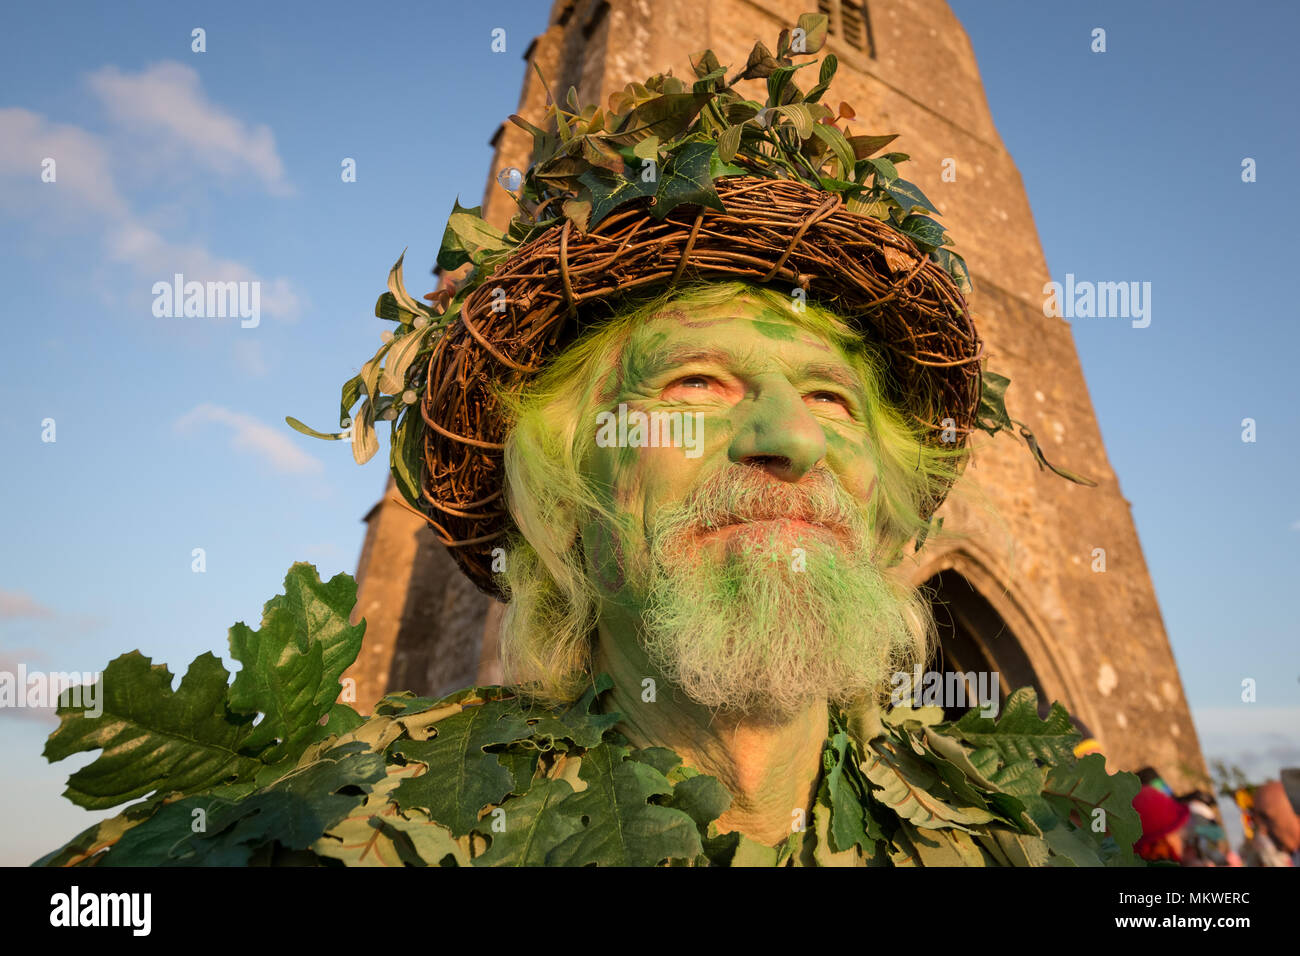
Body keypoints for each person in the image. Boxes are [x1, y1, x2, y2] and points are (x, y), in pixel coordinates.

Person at [37, 14, 1141, 868]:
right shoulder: (305, 828)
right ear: (560, 489)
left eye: (836, 398)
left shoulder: (1025, 836)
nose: (787, 439)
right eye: (698, 383)